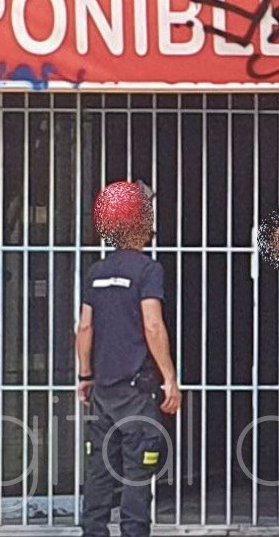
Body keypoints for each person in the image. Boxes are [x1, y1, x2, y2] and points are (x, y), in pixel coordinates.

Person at [77, 184, 182, 537]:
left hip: (104, 390)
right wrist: (169, 377)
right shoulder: (148, 270)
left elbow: (85, 327)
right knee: (138, 472)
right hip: (136, 389)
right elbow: (152, 324)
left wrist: (85, 375)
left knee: (99, 470)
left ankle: (93, 531)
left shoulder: (96, 272)